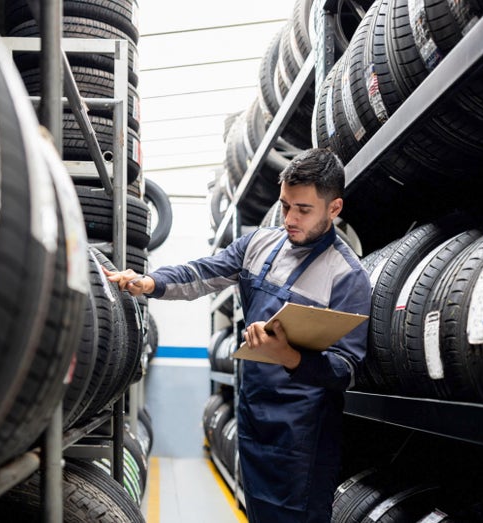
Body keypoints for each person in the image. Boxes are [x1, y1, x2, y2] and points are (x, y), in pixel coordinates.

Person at [103, 148, 371, 522]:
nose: (290, 218)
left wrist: (289, 356)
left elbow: (348, 370)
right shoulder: (260, 245)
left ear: (334, 208)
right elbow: (203, 273)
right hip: (253, 417)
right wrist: (150, 281)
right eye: (285, 205)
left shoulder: (347, 276)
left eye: (303, 210)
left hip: (302, 436)